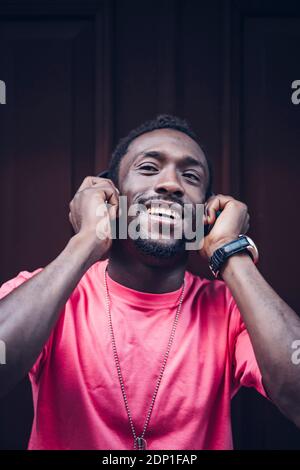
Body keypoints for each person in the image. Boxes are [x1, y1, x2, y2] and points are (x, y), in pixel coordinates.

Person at [0, 115, 299, 450]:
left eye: (190, 176)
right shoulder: (50, 292)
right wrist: (89, 239)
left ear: (205, 214)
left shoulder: (231, 308)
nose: (170, 184)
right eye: (148, 168)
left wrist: (228, 251)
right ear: (109, 197)